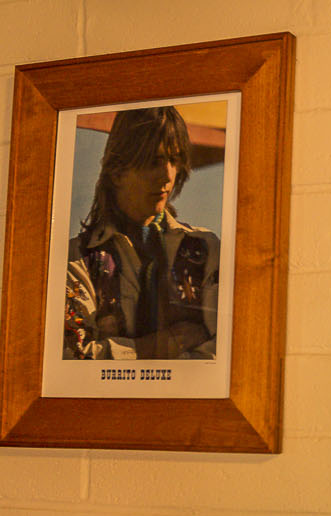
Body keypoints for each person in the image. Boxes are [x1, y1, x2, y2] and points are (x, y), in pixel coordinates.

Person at [64, 104, 220, 360]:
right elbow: (74, 357)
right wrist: (157, 347)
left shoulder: (206, 248)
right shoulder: (77, 258)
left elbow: (222, 352)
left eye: (174, 159)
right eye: (153, 161)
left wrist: (117, 351)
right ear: (117, 171)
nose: (167, 175)